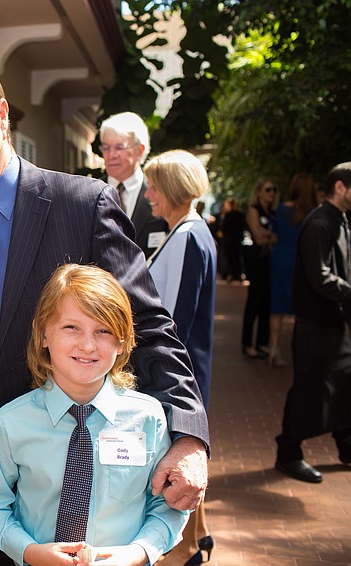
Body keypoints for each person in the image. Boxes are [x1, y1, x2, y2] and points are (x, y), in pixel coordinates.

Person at [0, 57, 209, 566]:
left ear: (1, 113)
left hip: (75, 501)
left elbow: (150, 326)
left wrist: (188, 435)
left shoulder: (83, 206)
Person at [0, 264, 190, 566]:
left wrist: (138, 552)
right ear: (42, 333)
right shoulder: (11, 423)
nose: (87, 345)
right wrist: (29, 551)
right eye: (71, 328)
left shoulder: (148, 418)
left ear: (122, 341)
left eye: (103, 331)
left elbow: (167, 506)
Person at [144, 151, 217, 565]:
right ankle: (200, 535)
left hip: (178, 373)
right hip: (185, 369)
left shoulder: (188, 236)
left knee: (178, 461)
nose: (149, 194)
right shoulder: (186, 231)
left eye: (155, 186)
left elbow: (179, 322)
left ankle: (184, 549)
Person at [275, 162, 351, 483]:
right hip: (316, 326)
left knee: (346, 386)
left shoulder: (340, 221)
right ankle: (288, 452)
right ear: (340, 187)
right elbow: (319, 277)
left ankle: (346, 446)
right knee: (309, 390)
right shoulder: (320, 224)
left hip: (336, 322)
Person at [99, 112, 169, 258]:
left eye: (119, 147)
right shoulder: (90, 193)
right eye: (106, 148)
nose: (111, 155)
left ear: (140, 150)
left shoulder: (161, 195)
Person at [268, 172, 318, 367]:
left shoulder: (281, 209)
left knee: (277, 307)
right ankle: (301, 351)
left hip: (280, 259)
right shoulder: (313, 213)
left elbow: (274, 234)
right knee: (301, 307)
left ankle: (274, 348)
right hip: (301, 262)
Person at [242, 178, 278, 359]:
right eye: (267, 190)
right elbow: (258, 236)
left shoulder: (272, 212)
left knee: (267, 302)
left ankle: (262, 342)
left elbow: (270, 236)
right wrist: (270, 236)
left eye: (273, 190)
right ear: (258, 192)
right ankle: (247, 343)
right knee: (254, 301)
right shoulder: (253, 210)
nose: (271, 193)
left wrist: (268, 236)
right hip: (257, 260)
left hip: (270, 261)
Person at [220, 198, 246, 283]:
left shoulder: (228, 215)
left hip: (229, 240)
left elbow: (224, 227)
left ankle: (232, 274)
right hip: (237, 240)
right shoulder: (240, 214)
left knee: (230, 258)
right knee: (237, 257)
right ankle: (238, 274)